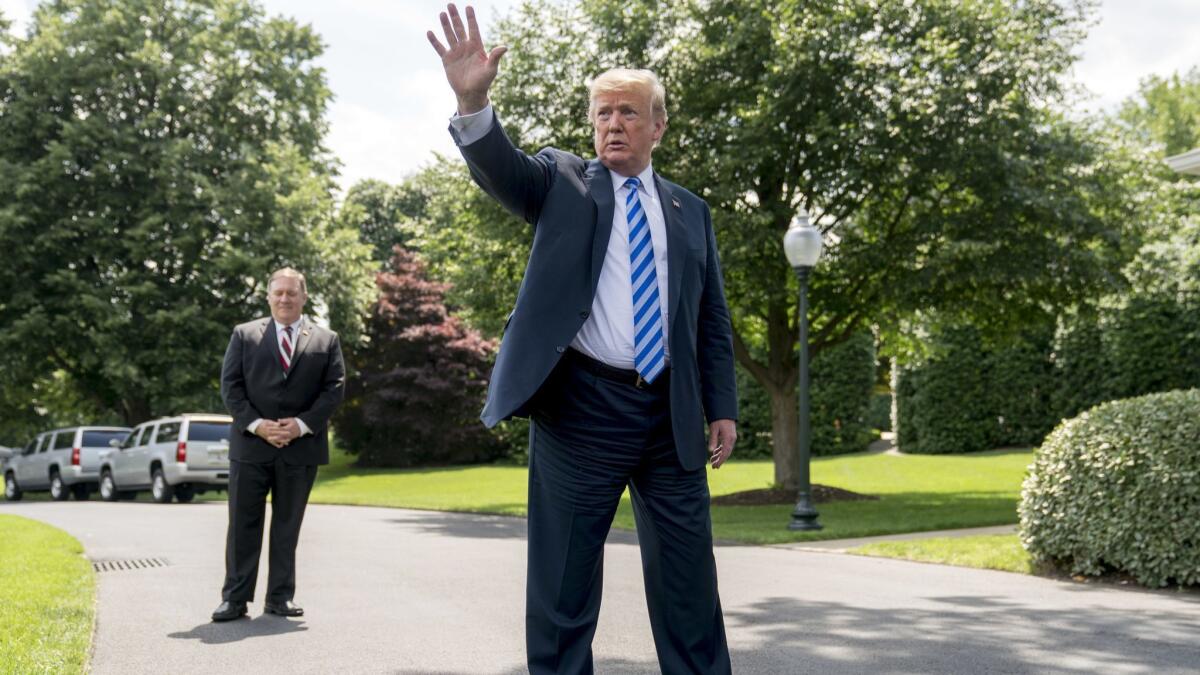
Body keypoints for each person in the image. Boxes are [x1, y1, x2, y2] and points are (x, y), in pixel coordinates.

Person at [428, 5, 738, 672]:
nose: (613, 124)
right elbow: (501, 168)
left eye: (628, 112)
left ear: (657, 124)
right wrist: (473, 100)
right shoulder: (562, 181)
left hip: (670, 416)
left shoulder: (692, 212)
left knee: (691, 589)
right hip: (582, 412)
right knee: (564, 591)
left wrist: (724, 405)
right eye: (602, 113)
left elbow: (709, 318)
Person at [211, 267, 346, 622]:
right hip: (251, 447)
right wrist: (258, 426)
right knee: (243, 525)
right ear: (268, 296)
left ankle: (280, 598)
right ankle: (235, 599)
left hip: (301, 448)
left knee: (288, 526)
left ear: (304, 297)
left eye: (292, 293)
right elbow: (231, 388)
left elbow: (334, 389)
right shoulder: (243, 335)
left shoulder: (326, 339)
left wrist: (300, 426)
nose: (285, 298)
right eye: (279, 292)